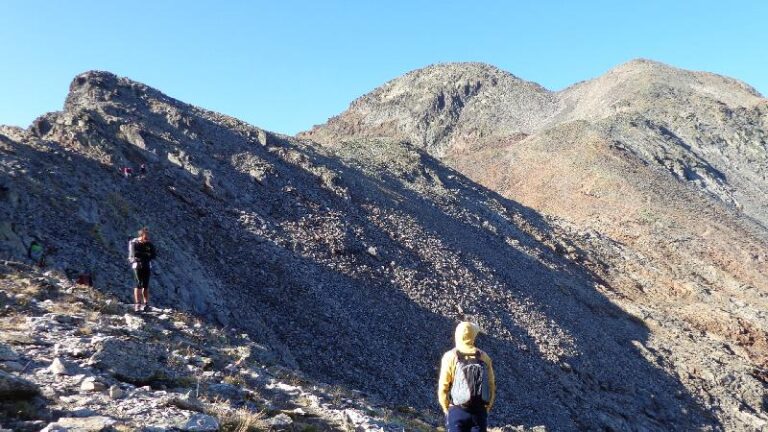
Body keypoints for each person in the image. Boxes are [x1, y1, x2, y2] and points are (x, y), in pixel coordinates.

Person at [438, 322, 496, 432]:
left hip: (457, 411)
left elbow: (443, 387)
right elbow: (491, 385)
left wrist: (447, 409)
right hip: (479, 412)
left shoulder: (450, 356)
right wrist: (486, 409)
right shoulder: (484, 357)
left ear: (457, 335)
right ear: (473, 335)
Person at [128, 227, 156, 312]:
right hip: (137, 265)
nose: (147, 238)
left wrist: (144, 256)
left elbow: (153, 255)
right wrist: (144, 256)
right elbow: (133, 255)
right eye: (146, 236)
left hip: (146, 265)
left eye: (148, 236)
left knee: (145, 285)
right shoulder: (134, 243)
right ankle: (138, 304)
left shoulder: (149, 244)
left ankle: (146, 304)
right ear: (141, 235)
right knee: (138, 283)